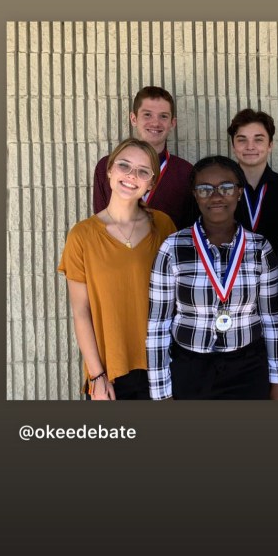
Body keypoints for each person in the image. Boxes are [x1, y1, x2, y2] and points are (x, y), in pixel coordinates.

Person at [147, 155, 278, 400]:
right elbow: (158, 324)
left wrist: (277, 381)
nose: (216, 196)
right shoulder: (173, 247)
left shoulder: (260, 248)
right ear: (194, 194)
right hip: (190, 369)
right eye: (204, 189)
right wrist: (161, 392)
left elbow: (270, 318)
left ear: (239, 192)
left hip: (248, 368)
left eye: (226, 187)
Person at [59, 138, 176, 399]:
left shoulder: (164, 225)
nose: (131, 176)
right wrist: (97, 375)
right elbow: (81, 311)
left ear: (151, 183)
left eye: (143, 171)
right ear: (110, 171)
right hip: (111, 372)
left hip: (162, 366)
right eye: (124, 166)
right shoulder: (82, 235)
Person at [93, 86, 194, 228]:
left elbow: (188, 228)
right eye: (147, 114)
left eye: (163, 116)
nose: (155, 122)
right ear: (134, 119)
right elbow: (100, 222)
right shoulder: (108, 165)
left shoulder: (185, 171)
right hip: (117, 248)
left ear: (173, 123)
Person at [227, 108, 278, 255]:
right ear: (233, 146)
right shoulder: (219, 190)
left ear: (270, 145)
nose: (250, 147)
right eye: (242, 140)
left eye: (258, 139)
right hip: (230, 275)